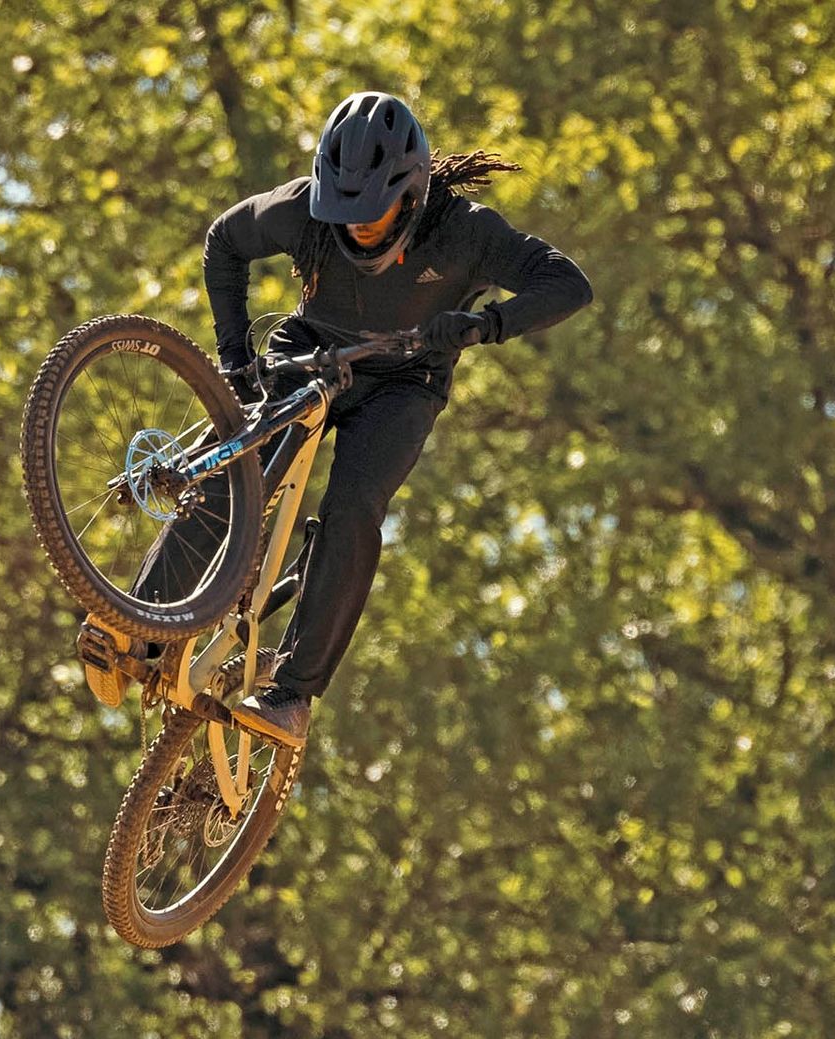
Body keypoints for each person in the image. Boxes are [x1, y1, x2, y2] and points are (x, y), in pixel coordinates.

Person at [119, 91, 592, 747]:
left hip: (404, 382)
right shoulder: (301, 210)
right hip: (310, 351)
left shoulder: (465, 231)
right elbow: (224, 241)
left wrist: (485, 324)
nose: (357, 228)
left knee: (353, 505)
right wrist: (233, 358)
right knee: (237, 461)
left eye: (372, 213)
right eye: (343, 212)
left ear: (413, 194)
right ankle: (138, 629)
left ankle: (291, 694)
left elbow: (567, 284)